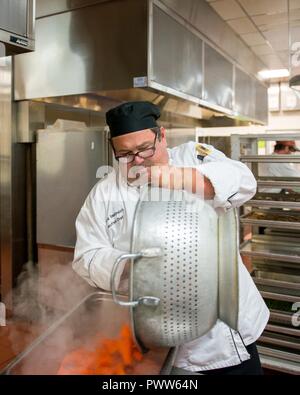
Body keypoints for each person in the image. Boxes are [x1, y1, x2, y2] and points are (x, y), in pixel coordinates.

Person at [72, 101, 269, 375]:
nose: (137, 160)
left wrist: (179, 178)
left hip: (228, 336)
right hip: (162, 346)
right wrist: (132, 262)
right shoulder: (104, 193)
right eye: (125, 154)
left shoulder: (193, 157)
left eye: (144, 148)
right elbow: (86, 257)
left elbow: (244, 181)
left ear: (161, 135)